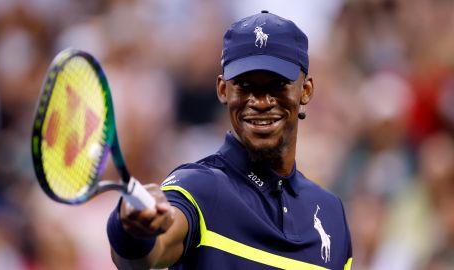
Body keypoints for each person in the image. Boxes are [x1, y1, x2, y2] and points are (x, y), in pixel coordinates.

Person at [107, 10, 353, 270]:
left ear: (305, 91)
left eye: (277, 84)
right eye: (245, 85)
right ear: (223, 90)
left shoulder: (332, 214)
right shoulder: (198, 187)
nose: (260, 101)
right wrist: (131, 231)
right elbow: (144, 256)